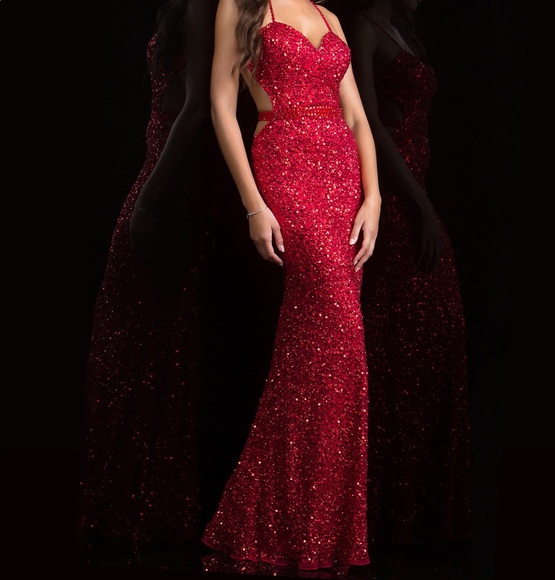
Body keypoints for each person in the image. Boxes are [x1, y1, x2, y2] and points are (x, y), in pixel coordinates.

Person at [201, 0, 381, 570]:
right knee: (339, 334)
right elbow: (221, 105)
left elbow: (356, 117)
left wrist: (374, 197)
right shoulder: (241, 5)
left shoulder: (329, 16)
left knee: (318, 350)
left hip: (344, 175)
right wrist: (253, 204)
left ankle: (300, 523)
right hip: (286, 161)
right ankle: (295, 519)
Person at [77, 0, 216, 561]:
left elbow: (197, 106)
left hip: (171, 179)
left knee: (149, 336)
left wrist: (150, 198)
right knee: (133, 336)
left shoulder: (203, 6)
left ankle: (147, 501)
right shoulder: (178, 7)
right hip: (159, 168)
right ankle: (126, 498)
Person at [347, 0, 472, 557]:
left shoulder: (399, 29)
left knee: (428, 340)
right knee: (398, 340)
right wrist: (418, 205)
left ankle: (418, 508)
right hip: (391, 198)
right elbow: (368, 123)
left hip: (415, 190)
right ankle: (384, 509)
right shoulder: (361, 27)